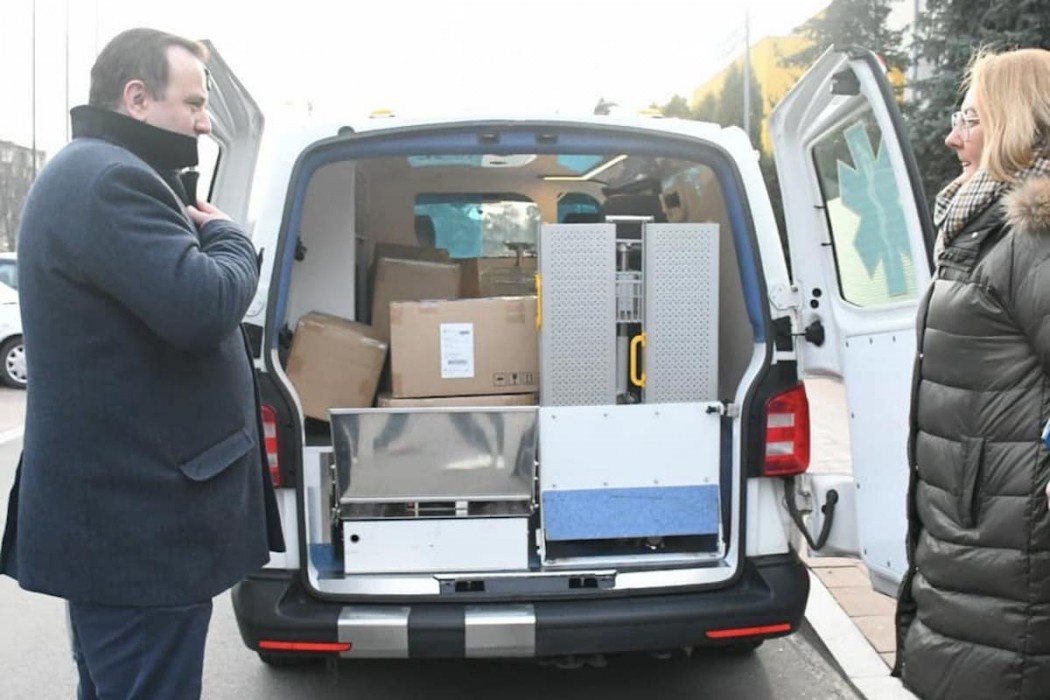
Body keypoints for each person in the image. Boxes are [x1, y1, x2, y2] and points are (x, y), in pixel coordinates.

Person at [0, 28, 283, 699]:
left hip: (124, 529)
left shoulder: (98, 171)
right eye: (193, 102)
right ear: (136, 98)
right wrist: (230, 238)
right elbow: (202, 304)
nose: (204, 121)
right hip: (139, 535)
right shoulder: (111, 181)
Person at [893, 47, 1050, 699]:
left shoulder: (1033, 237)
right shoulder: (978, 230)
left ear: (1017, 122)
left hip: (1012, 554)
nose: (952, 137)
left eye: (971, 119)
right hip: (975, 538)